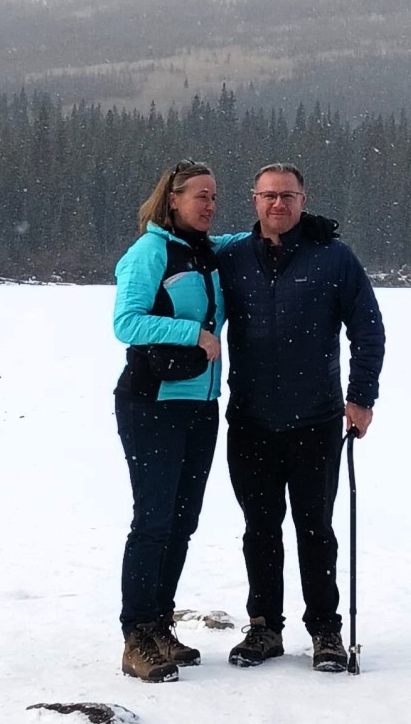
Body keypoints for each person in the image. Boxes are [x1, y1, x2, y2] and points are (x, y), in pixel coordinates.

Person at [218, 162, 385, 673]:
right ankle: (264, 627)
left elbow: (368, 328)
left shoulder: (333, 258)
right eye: (269, 196)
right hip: (250, 419)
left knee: (316, 528)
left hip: (314, 420)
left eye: (287, 196)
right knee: (260, 529)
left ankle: (325, 631)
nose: (278, 205)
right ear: (254, 200)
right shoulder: (232, 259)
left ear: (302, 199)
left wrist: (361, 397)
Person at [112, 159, 242, 683]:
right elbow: (125, 321)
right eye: (200, 197)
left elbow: (248, 238)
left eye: (214, 197)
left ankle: (161, 623)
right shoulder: (150, 252)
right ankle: (136, 636)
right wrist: (195, 335)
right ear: (173, 199)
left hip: (200, 405)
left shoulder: (206, 252)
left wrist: (293, 224)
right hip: (152, 404)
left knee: (182, 523)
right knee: (154, 521)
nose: (209, 205)